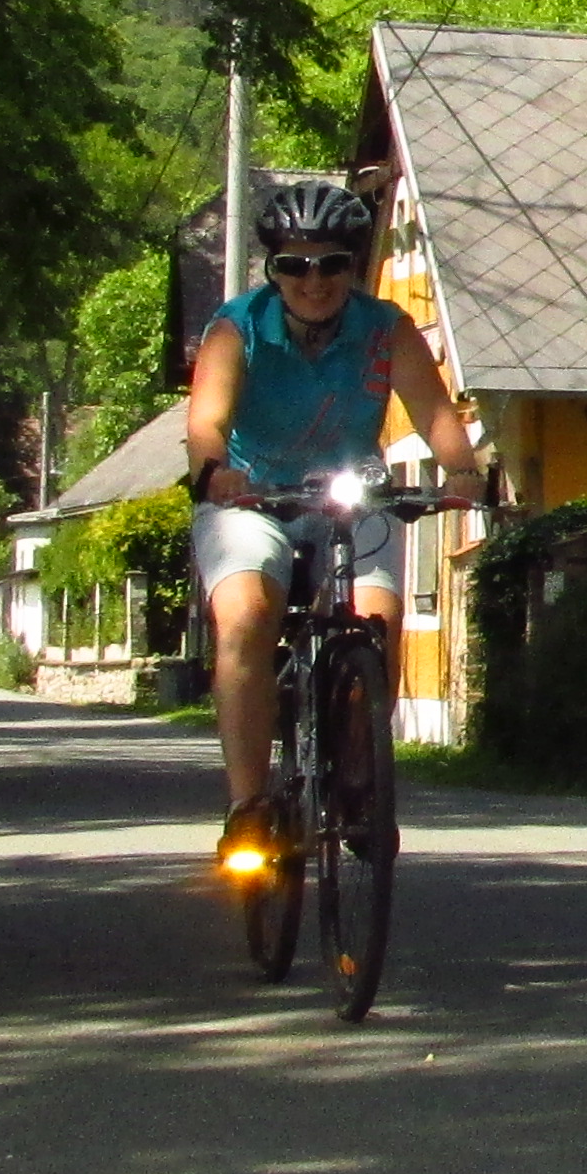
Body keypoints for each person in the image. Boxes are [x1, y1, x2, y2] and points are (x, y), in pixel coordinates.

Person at [184, 176, 484, 862]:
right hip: (253, 498)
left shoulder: (386, 328)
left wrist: (462, 472)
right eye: (294, 265)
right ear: (273, 268)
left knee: (379, 618)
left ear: (354, 267)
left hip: (353, 495)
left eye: (332, 265)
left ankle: (358, 775)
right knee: (247, 614)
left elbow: (436, 413)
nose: (313, 281)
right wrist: (216, 472)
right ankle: (248, 805)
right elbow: (206, 421)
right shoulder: (237, 327)